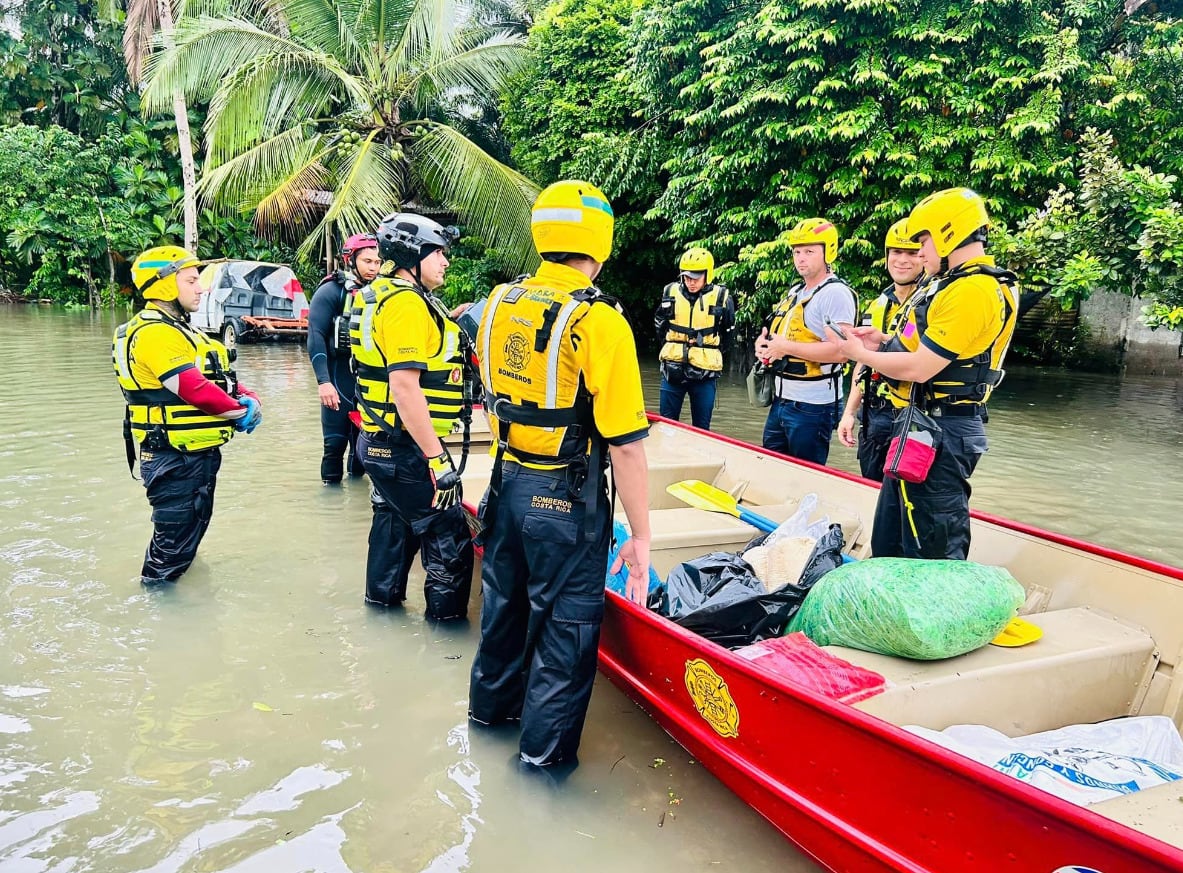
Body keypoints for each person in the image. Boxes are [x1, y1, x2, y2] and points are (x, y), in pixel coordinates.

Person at [468, 180, 652, 769]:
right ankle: (541, 771)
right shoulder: (600, 321)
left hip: (506, 485)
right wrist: (643, 539)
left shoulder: (496, 301)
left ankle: (487, 719)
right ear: (601, 239)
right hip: (565, 498)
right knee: (565, 636)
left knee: (502, 609)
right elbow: (625, 446)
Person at [830, 188, 1019, 560]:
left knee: (932, 544)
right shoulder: (953, 285)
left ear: (948, 233)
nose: (920, 253)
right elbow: (928, 351)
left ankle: (939, 611)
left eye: (923, 241)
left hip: (943, 431)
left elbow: (920, 367)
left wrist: (858, 352)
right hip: (921, 427)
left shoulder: (972, 291)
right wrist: (882, 339)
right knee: (892, 537)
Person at [348, 212, 474, 619]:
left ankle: (381, 612)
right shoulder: (405, 304)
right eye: (438, 253)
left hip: (380, 441)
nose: (445, 262)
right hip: (403, 448)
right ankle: (446, 633)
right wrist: (438, 459)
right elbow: (404, 388)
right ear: (412, 256)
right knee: (447, 532)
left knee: (393, 523)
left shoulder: (379, 294)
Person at [113, 245, 262, 585]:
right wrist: (239, 412)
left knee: (185, 541)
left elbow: (217, 378)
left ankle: (183, 615)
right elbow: (192, 388)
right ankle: (160, 622)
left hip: (192, 455)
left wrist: (246, 396)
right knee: (168, 555)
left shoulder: (179, 330)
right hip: (173, 458)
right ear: (164, 284)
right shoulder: (155, 333)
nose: (201, 287)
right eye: (191, 280)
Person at [755, 218, 857, 465]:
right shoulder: (795, 292)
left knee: (806, 475)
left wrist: (785, 347)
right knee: (771, 467)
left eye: (809, 252)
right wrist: (764, 345)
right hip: (781, 400)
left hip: (812, 406)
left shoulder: (835, 294)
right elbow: (780, 337)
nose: (801, 258)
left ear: (827, 252)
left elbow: (842, 352)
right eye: (797, 252)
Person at [837, 219, 923, 479]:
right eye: (896, 252)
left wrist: (884, 340)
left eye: (912, 253)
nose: (902, 260)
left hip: (910, 413)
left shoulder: (929, 303)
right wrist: (849, 412)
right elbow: (862, 363)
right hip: (873, 412)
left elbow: (920, 359)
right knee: (871, 486)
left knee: (902, 495)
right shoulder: (878, 305)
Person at [307, 233, 382, 484]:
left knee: (363, 450)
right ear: (350, 260)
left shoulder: (382, 293)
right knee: (334, 447)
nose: (373, 267)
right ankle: (330, 503)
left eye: (377, 262)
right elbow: (316, 335)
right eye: (367, 261)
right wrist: (323, 382)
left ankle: (354, 503)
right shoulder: (331, 291)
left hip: (369, 385)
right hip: (338, 381)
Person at [655, 247, 735, 430]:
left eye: (695, 278)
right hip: (672, 367)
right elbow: (660, 323)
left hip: (705, 371)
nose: (690, 282)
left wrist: (709, 349)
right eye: (687, 277)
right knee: (666, 424)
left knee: (701, 427)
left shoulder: (722, 297)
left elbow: (728, 332)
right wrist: (673, 345)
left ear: (708, 274)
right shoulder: (670, 292)